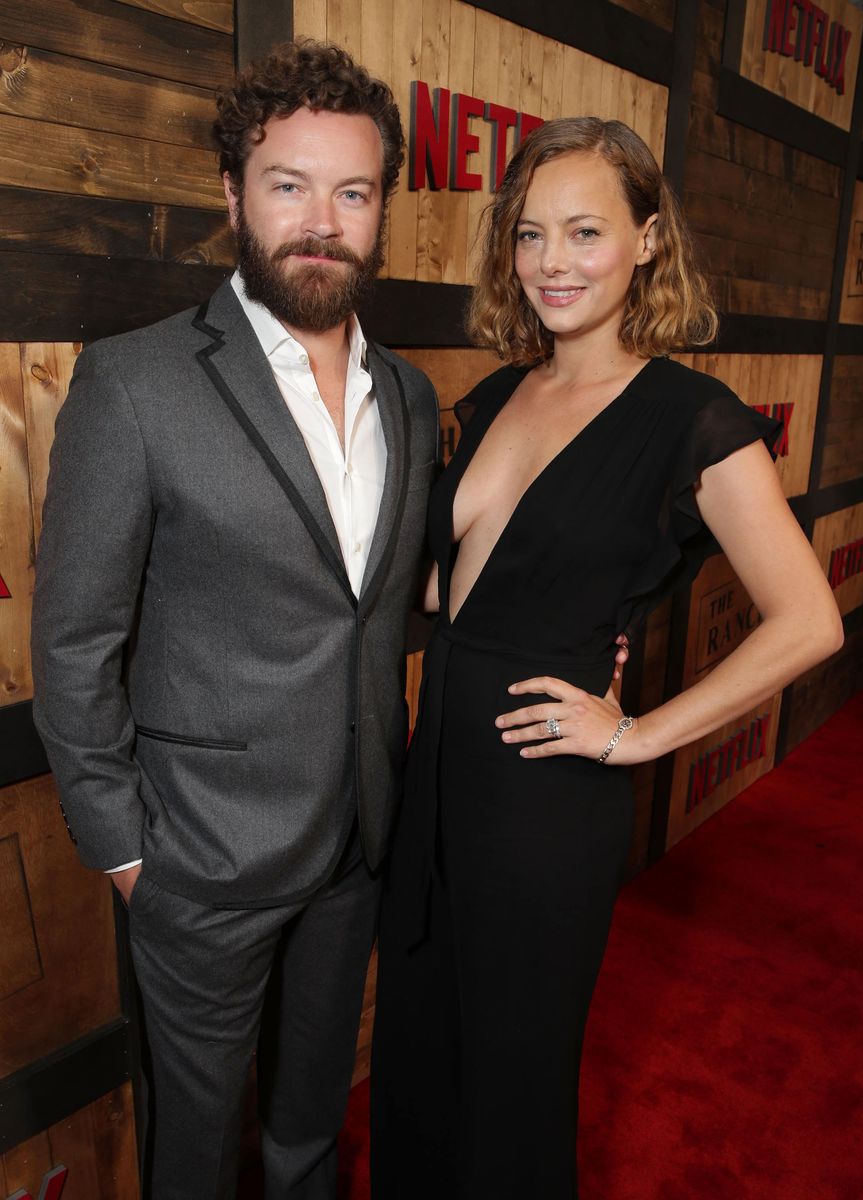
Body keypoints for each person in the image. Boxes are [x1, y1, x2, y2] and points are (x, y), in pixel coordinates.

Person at [370, 117, 843, 1199]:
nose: (552, 262)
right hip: (434, 775)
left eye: (585, 232)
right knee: (415, 1069)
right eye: (531, 235)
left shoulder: (693, 420)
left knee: (513, 1090)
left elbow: (808, 619)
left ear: (646, 240)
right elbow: (452, 589)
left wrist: (635, 734)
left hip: (543, 800)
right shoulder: (497, 395)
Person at [30, 40, 441, 1200]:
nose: (322, 221)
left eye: (352, 192)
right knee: (198, 1160)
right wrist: (129, 857)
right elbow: (71, 645)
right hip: (195, 864)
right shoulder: (137, 382)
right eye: (289, 184)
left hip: (356, 846)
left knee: (309, 1137)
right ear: (232, 194)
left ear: (382, 210)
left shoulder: (407, 395)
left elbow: (386, 594)